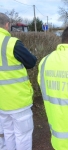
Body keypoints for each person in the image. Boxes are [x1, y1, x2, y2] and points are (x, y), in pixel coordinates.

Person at [0, 12, 37, 150]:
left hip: (1, 102)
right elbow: (31, 62)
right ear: (7, 25)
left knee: (8, 133)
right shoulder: (11, 43)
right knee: (23, 135)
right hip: (18, 100)